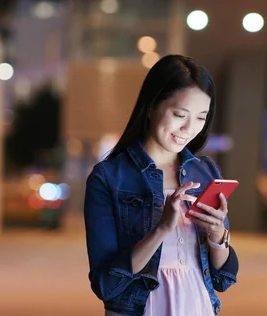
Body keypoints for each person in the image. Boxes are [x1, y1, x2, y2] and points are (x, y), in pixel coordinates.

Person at [84, 55, 239, 316]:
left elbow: (223, 277)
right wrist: (162, 228)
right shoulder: (109, 177)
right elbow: (106, 283)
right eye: (180, 114)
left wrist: (217, 236)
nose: (189, 128)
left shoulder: (206, 172)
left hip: (198, 306)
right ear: (151, 106)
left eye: (201, 117)